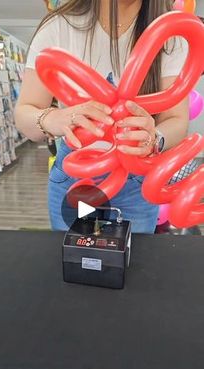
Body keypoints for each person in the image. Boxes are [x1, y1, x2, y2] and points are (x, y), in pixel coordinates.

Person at [15, 0, 189, 233]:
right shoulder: (59, 27)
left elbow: (178, 121)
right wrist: (55, 119)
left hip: (136, 175)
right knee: (75, 260)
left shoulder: (170, 37)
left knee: (132, 262)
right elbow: (25, 113)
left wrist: (154, 137)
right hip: (75, 174)